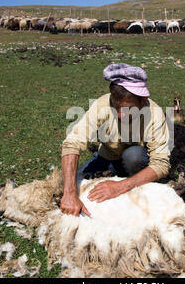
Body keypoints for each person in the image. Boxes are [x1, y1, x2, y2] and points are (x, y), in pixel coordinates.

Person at [60, 63, 171, 217]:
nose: (120, 115)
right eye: (116, 106)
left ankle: (135, 186)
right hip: (108, 157)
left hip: (135, 160)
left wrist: (121, 186)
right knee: (75, 182)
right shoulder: (102, 104)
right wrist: (70, 192)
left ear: (143, 100)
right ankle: (117, 177)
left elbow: (161, 164)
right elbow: (72, 143)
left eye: (127, 109)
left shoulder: (155, 114)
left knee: (133, 156)